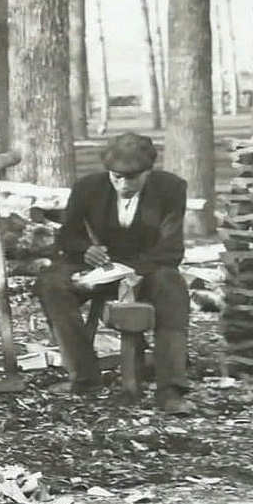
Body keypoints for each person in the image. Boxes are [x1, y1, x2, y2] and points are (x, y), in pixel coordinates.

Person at [34, 132, 193, 414]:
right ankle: (84, 377)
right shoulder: (88, 187)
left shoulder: (171, 188)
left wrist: (134, 271)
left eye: (132, 178)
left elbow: (170, 250)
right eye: (117, 177)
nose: (123, 185)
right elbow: (67, 236)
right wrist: (85, 250)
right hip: (101, 267)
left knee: (173, 288)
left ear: (148, 172)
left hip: (148, 268)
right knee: (51, 284)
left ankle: (171, 390)